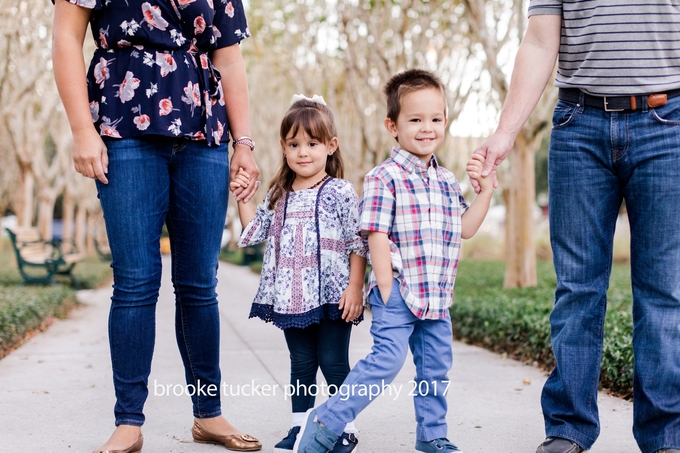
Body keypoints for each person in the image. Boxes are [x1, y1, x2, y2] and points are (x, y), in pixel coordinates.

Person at [52, 1, 262, 452]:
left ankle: (209, 415)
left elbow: (229, 59)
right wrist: (81, 129)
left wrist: (242, 143)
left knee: (199, 284)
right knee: (135, 281)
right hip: (124, 130)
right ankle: (128, 421)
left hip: (204, 137)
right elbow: (67, 37)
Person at [471, 2, 680, 453]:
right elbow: (541, 39)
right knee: (578, 290)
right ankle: (569, 429)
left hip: (668, 122)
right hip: (578, 123)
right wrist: (506, 131)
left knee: (664, 290)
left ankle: (666, 436)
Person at [293, 69, 494, 453]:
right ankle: (326, 421)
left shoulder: (448, 181)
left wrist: (484, 192)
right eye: (415, 119)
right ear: (393, 125)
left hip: (436, 295)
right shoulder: (383, 177)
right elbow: (375, 235)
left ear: (446, 122)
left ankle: (432, 434)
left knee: (435, 369)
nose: (426, 128)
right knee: (386, 361)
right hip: (399, 290)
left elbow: (465, 228)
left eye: (435, 119)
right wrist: (386, 286)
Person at [230, 96, 367, 453]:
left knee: (333, 361)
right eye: (294, 144)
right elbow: (253, 231)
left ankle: (344, 428)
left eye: (312, 143)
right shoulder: (279, 195)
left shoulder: (339, 191)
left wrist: (355, 286)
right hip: (292, 296)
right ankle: (300, 426)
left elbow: (358, 242)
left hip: (333, 293)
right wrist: (244, 195)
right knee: (301, 363)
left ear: (330, 146)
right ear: (283, 148)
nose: (303, 152)